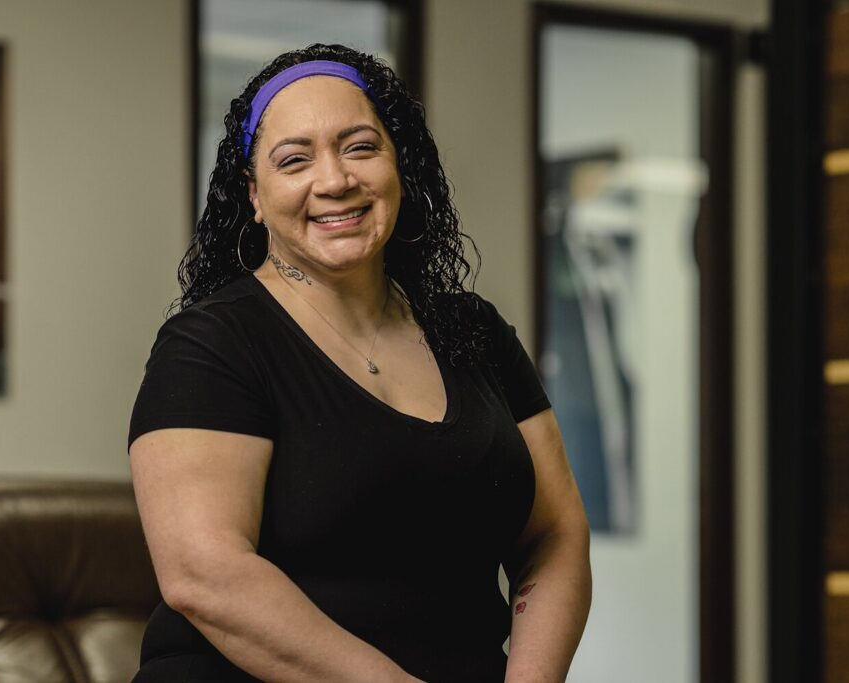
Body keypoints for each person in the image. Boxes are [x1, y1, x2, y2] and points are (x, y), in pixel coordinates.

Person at [127, 43, 592, 682]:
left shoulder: (474, 332)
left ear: (401, 165)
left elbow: (554, 535)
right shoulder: (212, 344)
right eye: (294, 159)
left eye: (360, 146)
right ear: (255, 195)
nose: (335, 180)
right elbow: (205, 575)